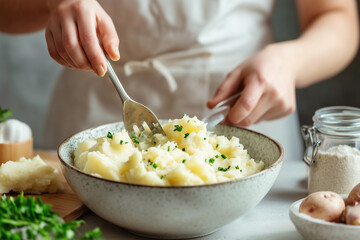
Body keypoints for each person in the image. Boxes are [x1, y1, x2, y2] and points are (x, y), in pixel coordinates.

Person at [0, 0, 358, 158]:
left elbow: (337, 16)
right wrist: (53, 0)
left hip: (245, 111)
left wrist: (289, 61)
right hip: (96, 104)